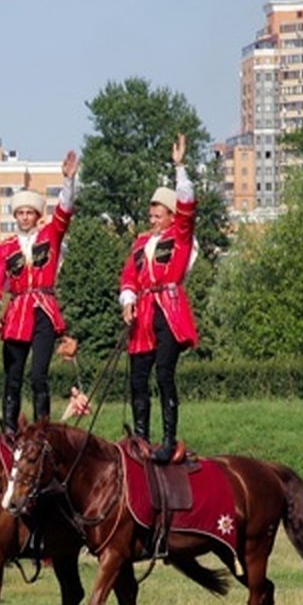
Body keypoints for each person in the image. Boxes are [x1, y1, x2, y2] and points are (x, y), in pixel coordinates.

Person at [0, 151, 79, 435]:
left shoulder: (50, 235)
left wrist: (68, 180)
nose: (25, 217)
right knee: (12, 378)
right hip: (16, 315)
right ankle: (10, 431)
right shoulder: (4, 247)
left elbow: (64, 211)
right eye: (21, 213)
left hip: (44, 312)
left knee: (38, 375)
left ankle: (42, 431)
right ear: (15, 216)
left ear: (38, 215)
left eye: (30, 213)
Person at [120, 133, 199, 463]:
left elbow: (187, 203)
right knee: (138, 375)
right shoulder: (140, 244)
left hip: (168, 309)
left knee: (164, 373)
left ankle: (168, 439)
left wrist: (179, 167)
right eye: (150, 215)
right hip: (143, 312)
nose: (152, 220)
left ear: (170, 216)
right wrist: (127, 300)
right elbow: (128, 276)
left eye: (157, 215)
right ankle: (141, 437)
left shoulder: (180, 236)